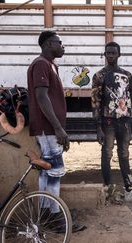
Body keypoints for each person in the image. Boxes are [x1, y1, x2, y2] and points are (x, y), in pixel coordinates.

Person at [27, 30, 84, 232]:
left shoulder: (50, 65)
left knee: (47, 173)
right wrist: (58, 128)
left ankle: (47, 215)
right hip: (48, 128)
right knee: (55, 172)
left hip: (50, 128)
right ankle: (56, 219)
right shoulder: (41, 64)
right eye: (59, 43)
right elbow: (42, 97)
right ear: (48, 44)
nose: (62, 46)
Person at [91, 41, 132, 200]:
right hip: (108, 122)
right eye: (108, 53)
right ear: (105, 55)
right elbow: (95, 102)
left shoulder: (127, 75)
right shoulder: (99, 76)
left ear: (119, 55)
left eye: (113, 53)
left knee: (124, 154)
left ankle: (129, 190)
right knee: (107, 154)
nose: (110, 56)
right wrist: (98, 127)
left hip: (124, 122)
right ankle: (109, 190)